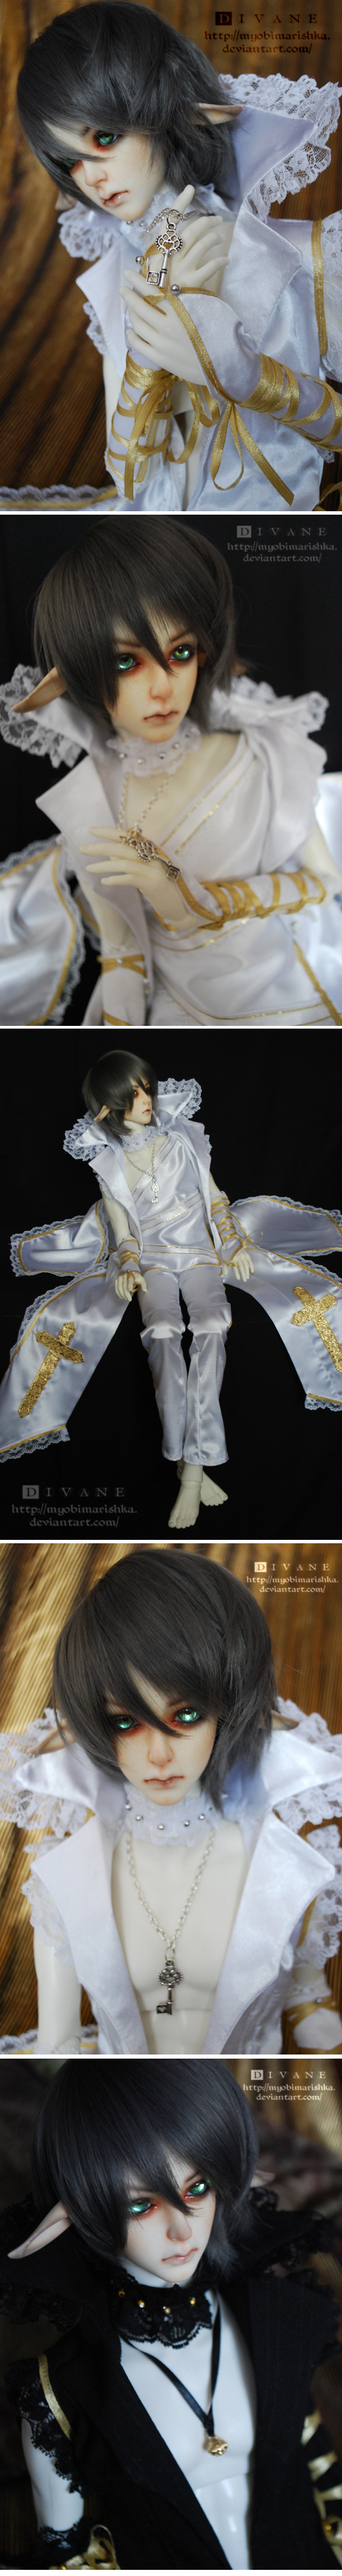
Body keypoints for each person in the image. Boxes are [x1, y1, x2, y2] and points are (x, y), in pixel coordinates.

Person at [1, 1547, 342, 2058]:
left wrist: (307, 1997)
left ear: (229, 1708)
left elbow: (298, 1945)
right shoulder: (67, 1876)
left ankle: (305, 2000)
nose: (158, 1756)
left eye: (186, 1716)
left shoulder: (285, 1856)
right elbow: (59, 2042)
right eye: (125, 1722)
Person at [1, 2058, 341, 2568]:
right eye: (142, 2205)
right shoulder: (61, 2389)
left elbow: (321, 2467)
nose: (183, 2232)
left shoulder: (273, 2316)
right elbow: (65, 2549)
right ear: (82, 2208)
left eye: (196, 2189)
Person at [1, 523, 341, 1029]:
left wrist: (195, 903)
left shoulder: (260, 754)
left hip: (286, 980)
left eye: (180, 653)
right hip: (174, 1004)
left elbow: (326, 881)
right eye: (126, 662)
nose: (163, 688)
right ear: (80, 671)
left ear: (203, 652)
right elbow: (122, 958)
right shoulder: (91, 801)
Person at [14, 2, 342, 513]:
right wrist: (145, 362)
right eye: (69, 161)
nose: (91, 177)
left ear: (173, 109)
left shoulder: (307, 257)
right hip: (157, 531)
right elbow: (129, 478)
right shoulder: (121, 279)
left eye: (105, 137)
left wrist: (249, 377)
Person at [1, 1053, 342, 1492]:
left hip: (200, 1252)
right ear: (107, 1108)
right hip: (153, 1261)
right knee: (162, 1330)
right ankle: (184, 1459)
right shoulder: (108, 1165)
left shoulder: (183, 1137)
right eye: (133, 1094)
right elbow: (123, 1231)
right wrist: (128, 1265)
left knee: (213, 1324)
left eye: (147, 1088)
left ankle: (194, 1467)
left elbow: (215, 1197)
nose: (146, 1099)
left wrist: (233, 1243)